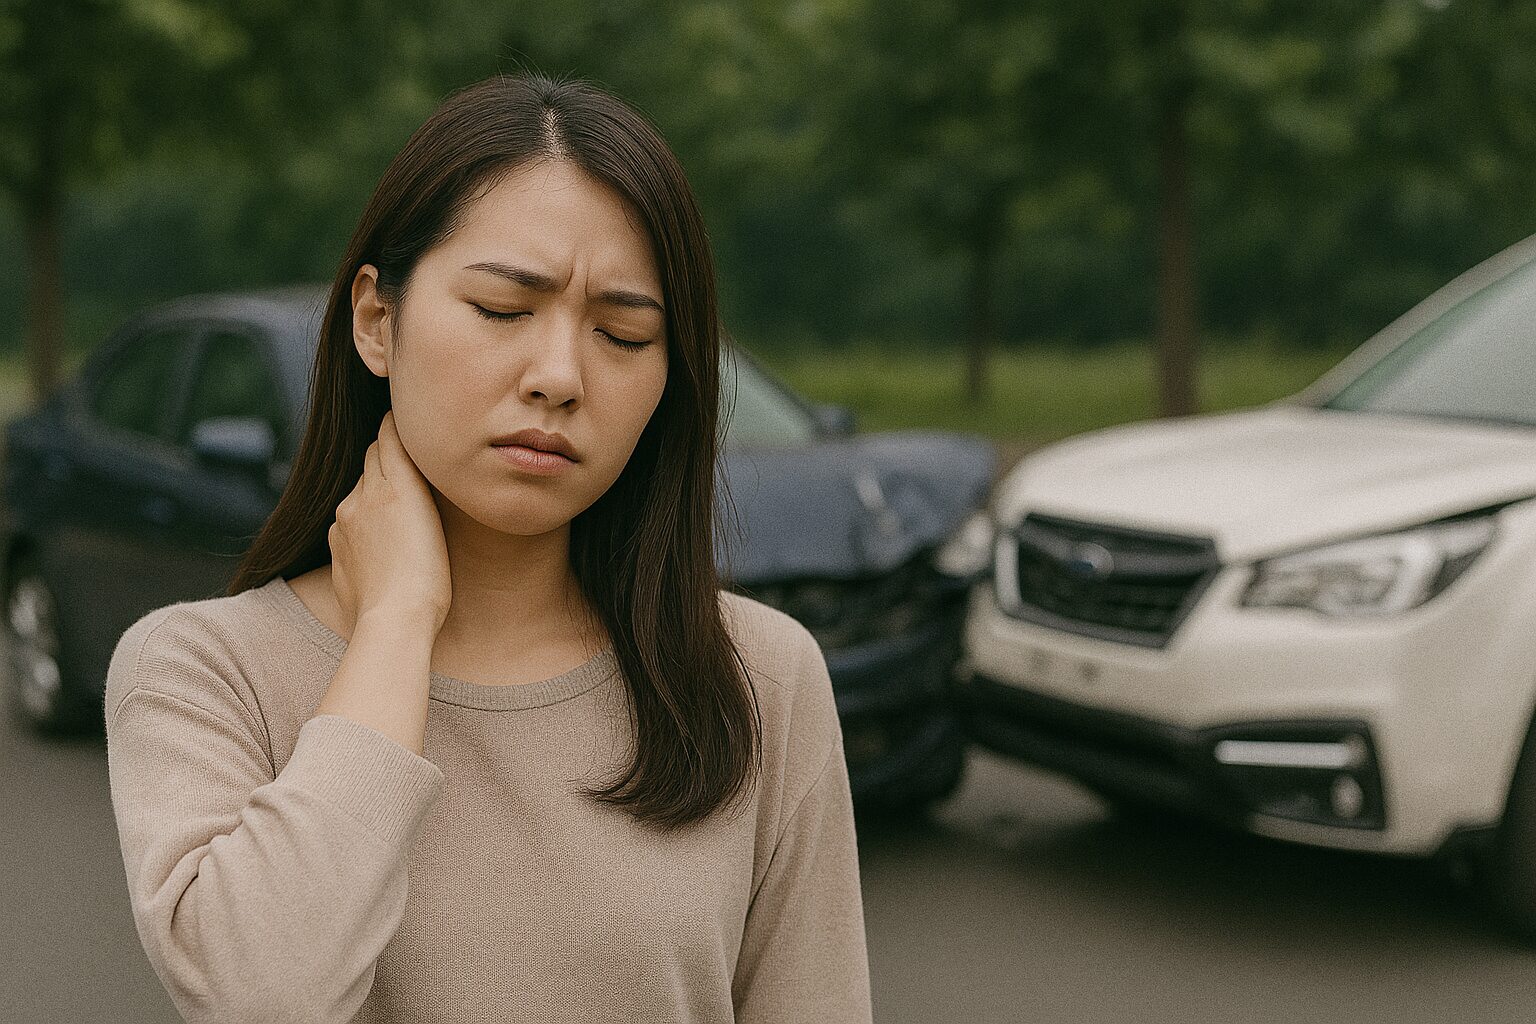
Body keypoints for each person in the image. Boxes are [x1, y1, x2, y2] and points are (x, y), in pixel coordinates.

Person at [103, 72, 873, 1023]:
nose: (558, 376)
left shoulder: (757, 676)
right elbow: (262, 997)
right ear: (376, 321)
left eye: (623, 334)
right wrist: (394, 624)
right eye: (505, 311)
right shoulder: (204, 671)